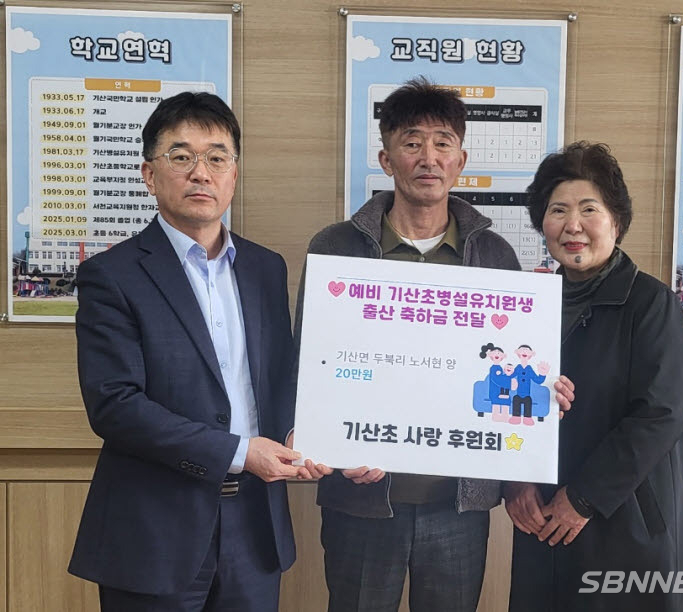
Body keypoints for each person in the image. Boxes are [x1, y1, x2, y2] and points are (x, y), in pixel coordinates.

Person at [294, 76, 574, 612]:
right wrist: (331, 444)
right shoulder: (336, 248)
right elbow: (307, 364)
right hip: (361, 501)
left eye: (443, 142)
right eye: (412, 142)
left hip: (458, 504)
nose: (429, 157)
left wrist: (542, 396)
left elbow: (509, 373)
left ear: (460, 160)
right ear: (386, 158)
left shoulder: (493, 254)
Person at [68, 91, 330, 611]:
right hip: (154, 531)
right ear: (149, 174)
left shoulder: (265, 268)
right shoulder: (111, 275)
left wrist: (300, 435)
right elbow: (115, 405)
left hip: (255, 526)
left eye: (217, 157)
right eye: (181, 156)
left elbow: (280, 378)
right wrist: (239, 452)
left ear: (234, 173)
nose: (200, 173)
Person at [504, 141, 683, 611]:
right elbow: (503, 403)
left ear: (616, 222)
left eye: (589, 209)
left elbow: (660, 415)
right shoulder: (526, 305)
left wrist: (584, 498)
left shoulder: (651, 303)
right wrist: (515, 483)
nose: (573, 225)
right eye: (558, 210)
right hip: (542, 517)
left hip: (625, 519)